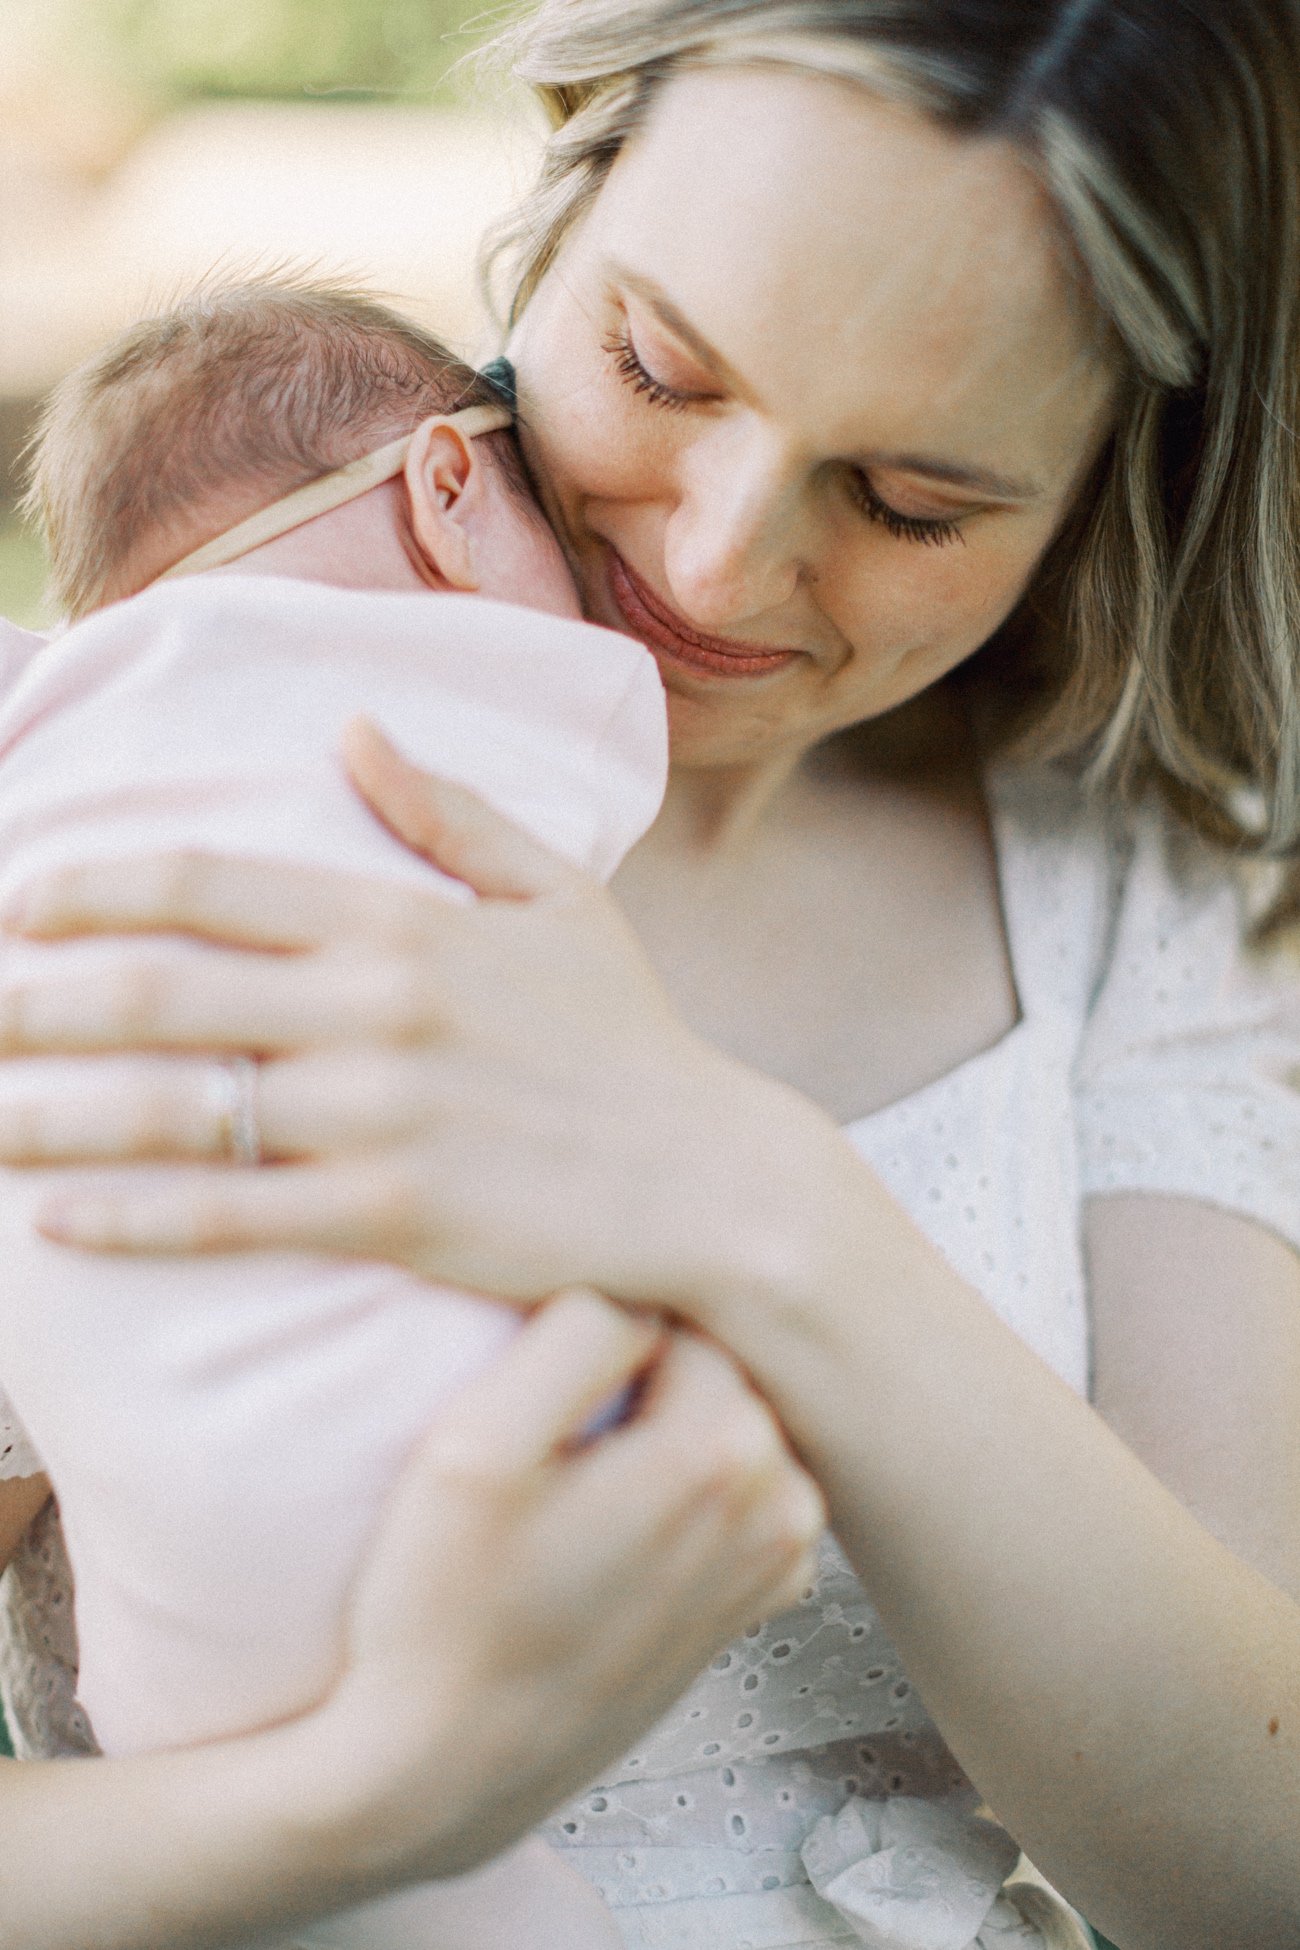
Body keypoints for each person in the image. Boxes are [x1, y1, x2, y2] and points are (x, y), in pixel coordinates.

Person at [1, 1, 1299, 1946]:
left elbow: (1250, 1876)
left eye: (908, 500)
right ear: (575, 173)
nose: (705, 564)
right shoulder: (130, 811)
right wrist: (379, 1797)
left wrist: (758, 1206)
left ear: (1116, 478)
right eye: (655, 367)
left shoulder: (1135, 907)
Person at [0, 275, 681, 1949]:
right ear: (450, 487)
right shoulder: (488, 710)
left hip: (167, 1594)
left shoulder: (55, 743)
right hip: (443, 1468)